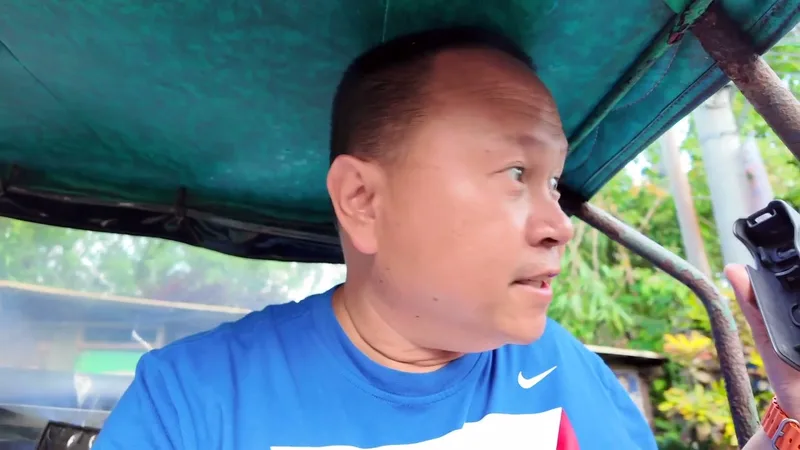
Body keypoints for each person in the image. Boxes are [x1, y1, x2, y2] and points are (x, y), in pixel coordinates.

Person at [93, 26, 800, 450]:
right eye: (516, 171)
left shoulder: (575, 376)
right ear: (363, 201)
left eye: (554, 183)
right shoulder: (192, 401)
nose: (559, 227)